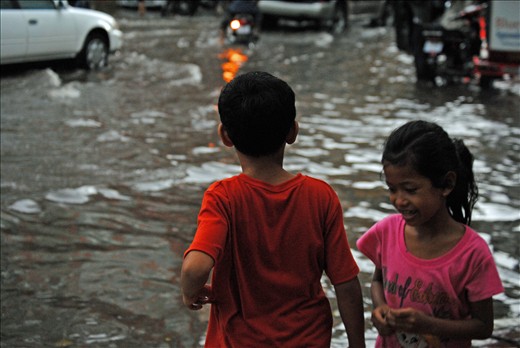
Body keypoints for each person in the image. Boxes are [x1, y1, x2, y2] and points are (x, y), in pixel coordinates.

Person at [181, 71, 365, 347]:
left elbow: (195, 268)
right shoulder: (320, 196)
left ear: (225, 135)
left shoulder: (223, 198)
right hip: (308, 338)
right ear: (292, 131)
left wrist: (190, 293)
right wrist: (357, 343)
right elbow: (346, 282)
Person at [356, 120, 504, 347]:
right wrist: (380, 309)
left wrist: (428, 325)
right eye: (392, 189)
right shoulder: (387, 232)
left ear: (446, 184)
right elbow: (378, 280)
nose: (399, 200)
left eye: (410, 189)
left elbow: (484, 326)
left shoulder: (472, 254)